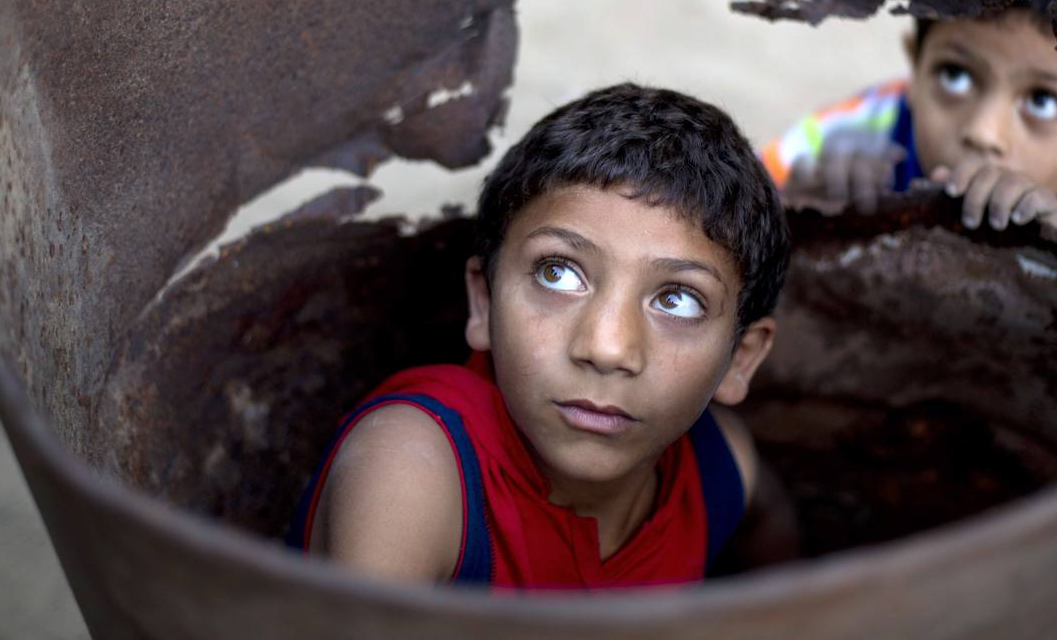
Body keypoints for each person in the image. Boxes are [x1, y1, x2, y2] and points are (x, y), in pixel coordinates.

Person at [289, 83, 793, 589]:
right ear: (484, 302)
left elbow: (777, 542)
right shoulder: (410, 470)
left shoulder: (718, 469)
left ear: (739, 359)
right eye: (559, 273)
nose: (606, 347)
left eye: (678, 300)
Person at [761, 5, 1057, 272]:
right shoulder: (854, 137)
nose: (982, 132)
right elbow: (731, 224)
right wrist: (795, 222)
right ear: (916, 70)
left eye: (1043, 102)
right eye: (954, 76)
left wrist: (1051, 263)